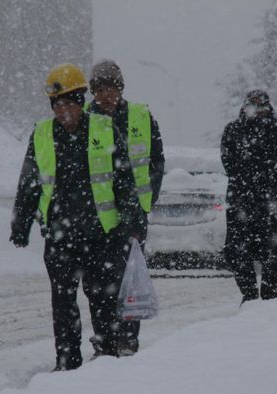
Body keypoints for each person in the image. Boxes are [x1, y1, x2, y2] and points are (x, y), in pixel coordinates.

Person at [9, 63, 144, 371]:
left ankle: (107, 356)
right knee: (63, 302)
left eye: (68, 103)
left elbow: (124, 182)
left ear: (81, 101)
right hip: (59, 236)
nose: (63, 110)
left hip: (102, 236)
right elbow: (29, 182)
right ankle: (67, 361)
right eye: (57, 105)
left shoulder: (105, 130)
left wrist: (131, 220)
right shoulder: (42, 134)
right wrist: (21, 224)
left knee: (102, 299)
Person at [85, 59, 165, 356]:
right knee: (95, 281)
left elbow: (157, 162)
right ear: (93, 91)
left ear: (121, 88)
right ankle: (104, 338)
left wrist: (147, 200)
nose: (107, 95)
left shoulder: (140, 117)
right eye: (101, 89)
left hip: (133, 216)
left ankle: (127, 339)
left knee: (129, 278)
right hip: (97, 218)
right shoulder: (85, 121)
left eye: (112, 88)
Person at [221, 90, 277, 303]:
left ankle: (271, 299)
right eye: (253, 105)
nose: (258, 109)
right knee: (238, 251)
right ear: (245, 107)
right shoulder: (233, 130)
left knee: (273, 253)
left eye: (261, 105)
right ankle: (249, 295)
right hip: (241, 200)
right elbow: (229, 163)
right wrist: (246, 185)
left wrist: (270, 187)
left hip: (272, 201)